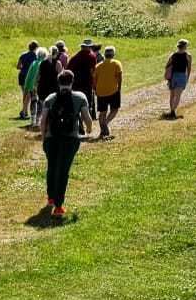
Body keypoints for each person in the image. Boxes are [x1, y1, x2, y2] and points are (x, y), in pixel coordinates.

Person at [38, 70, 94, 218]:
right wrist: (88, 130)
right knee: (63, 170)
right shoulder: (80, 97)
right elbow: (87, 118)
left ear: (58, 82)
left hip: (52, 138)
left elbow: (42, 121)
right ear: (72, 81)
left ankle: (50, 197)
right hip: (70, 139)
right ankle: (58, 206)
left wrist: (44, 137)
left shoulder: (50, 98)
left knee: (52, 166)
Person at [94, 46, 124, 139]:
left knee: (102, 112)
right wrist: (119, 88)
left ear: (105, 54)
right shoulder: (117, 63)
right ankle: (106, 124)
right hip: (113, 90)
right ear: (113, 54)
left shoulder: (98, 66)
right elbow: (119, 77)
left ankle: (103, 131)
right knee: (114, 109)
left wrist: (95, 90)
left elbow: (95, 80)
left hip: (100, 91)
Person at [68, 40, 99, 118]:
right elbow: (93, 71)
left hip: (76, 84)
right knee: (87, 102)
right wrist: (94, 84)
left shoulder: (74, 57)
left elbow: (68, 70)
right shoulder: (92, 56)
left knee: (76, 102)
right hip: (87, 83)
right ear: (88, 47)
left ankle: (77, 119)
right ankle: (86, 119)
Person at [164, 39, 192, 119]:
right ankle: (173, 111)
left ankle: (172, 111)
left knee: (172, 95)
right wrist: (187, 77)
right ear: (185, 46)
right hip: (181, 76)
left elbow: (167, 66)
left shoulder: (173, 55)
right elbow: (189, 68)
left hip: (173, 76)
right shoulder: (188, 55)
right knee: (178, 95)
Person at [24, 47, 49, 124]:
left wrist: (26, 86)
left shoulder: (34, 63)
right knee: (40, 103)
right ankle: (38, 119)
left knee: (33, 101)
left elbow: (28, 75)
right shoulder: (45, 64)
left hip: (32, 86)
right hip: (41, 86)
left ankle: (32, 119)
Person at [16, 41, 40, 119]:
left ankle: (25, 111)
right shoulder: (36, 56)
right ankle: (24, 111)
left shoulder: (23, 55)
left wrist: (24, 68)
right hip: (30, 76)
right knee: (29, 94)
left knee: (25, 94)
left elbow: (18, 66)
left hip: (22, 75)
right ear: (36, 48)